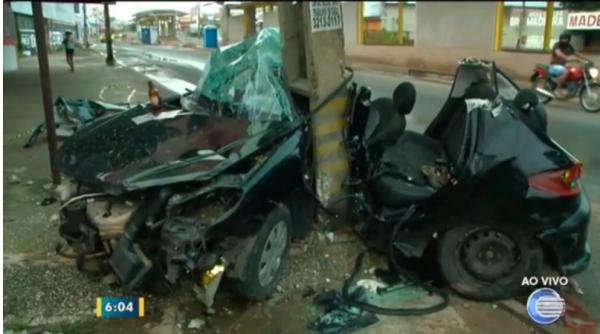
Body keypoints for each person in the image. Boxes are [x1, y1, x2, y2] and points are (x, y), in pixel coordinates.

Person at [549, 31, 587, 96]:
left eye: (566, 38)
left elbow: (576, 53)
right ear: (560, 38)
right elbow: (558, 53)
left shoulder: (568, 46)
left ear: (569, 39)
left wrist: (587, 59)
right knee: (566, 71)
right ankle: (557, 89)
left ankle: (568, 87)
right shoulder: (557, 45)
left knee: (574, 70)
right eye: (563, 38)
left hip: (562, 66)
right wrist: (567, 58)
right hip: (554, 66)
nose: (564, 40)